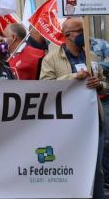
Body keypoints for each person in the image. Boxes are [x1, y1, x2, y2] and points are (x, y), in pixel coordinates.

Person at [39, 17, 107, 199]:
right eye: (79, 31)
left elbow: (105, 84)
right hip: (68, 122)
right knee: (70, 166)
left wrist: (99, 85)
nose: (84, 35)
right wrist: (72, 78)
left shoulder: (91, 56)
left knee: (96, 168)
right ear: (67, 35)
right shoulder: (51, 59)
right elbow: (45, 86)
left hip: (93, 120)